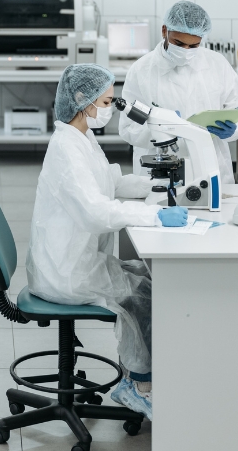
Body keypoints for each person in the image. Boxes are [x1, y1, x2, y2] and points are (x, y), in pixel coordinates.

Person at [26, 64, 189, 422]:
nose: (110, 107)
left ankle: (134, 373)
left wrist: (151, 187)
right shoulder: (66, 148)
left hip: (77, 260)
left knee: (146, 279)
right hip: (66, 273)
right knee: (143, 296)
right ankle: (138, 386)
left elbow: (106, 183)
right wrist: (153, 216)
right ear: (82, 101)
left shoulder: (81, 136)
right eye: (106, 100)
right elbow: (95, 213)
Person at [119, 1, 238, 184]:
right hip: (159, 171)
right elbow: (128, 127)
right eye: (178, 43)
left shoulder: (217, 64)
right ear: (164, 31)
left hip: (210, 165)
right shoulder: (142, 70)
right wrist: (163, 129)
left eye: (193, 46)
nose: (185, 51)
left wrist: (234, 129)